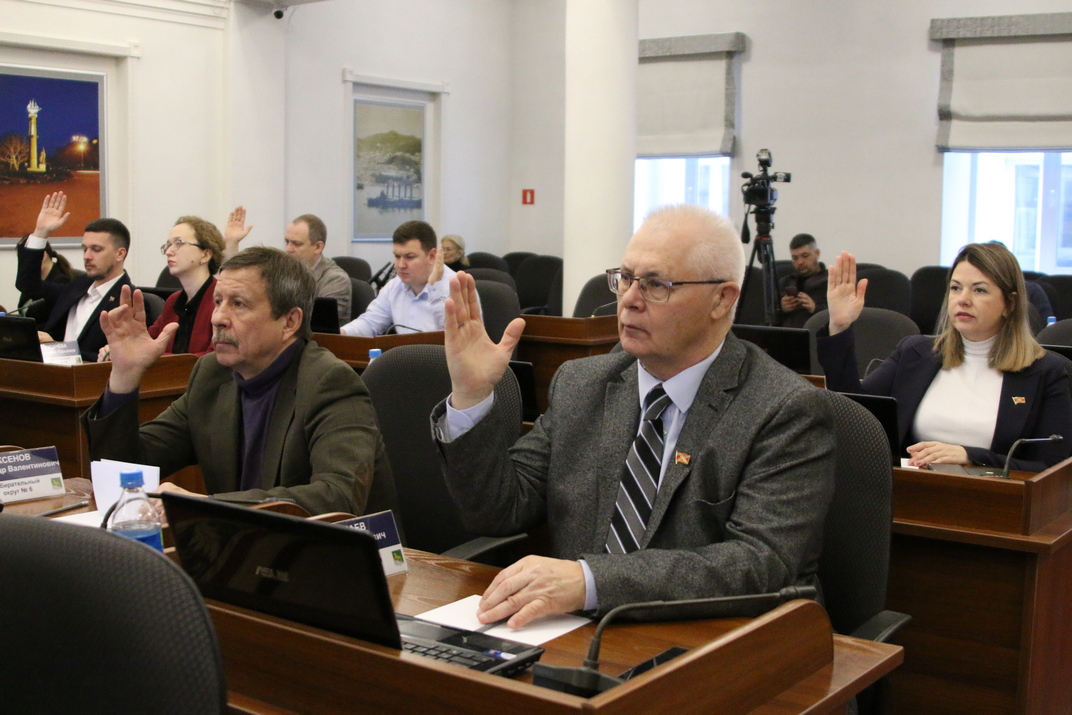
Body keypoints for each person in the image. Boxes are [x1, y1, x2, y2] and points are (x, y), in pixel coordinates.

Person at [433, 204, 836, 628]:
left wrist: (590, 582)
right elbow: (499, 510)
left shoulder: (784, 409)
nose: (628, 300)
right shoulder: (583, 383)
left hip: (714, 638)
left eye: (656, 284)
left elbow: (761, 564)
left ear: (722, 299)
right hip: (573, 633)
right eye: (625, 278)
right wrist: (471, 395)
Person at [80, 247, 396, 516]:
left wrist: (207, 506)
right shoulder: (212, 375)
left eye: (238, 304)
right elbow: (126, 467)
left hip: (341, 557)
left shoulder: (330, 382)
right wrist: (125, 376)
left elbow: (337, 497)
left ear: (289, 321)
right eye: (218, 301)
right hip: (244, 550)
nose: (217, 318)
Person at [817, 244, 1072, 472]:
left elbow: (1052, 468)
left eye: (979, 290)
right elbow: (854, 412)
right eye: (955, 288)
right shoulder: (915, 352)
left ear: (1010, 304)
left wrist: (970, 456)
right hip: (913, 492)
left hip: (995, 501)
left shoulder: (1046, 371)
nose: (963, 300)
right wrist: (839, 326)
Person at [15, 191, 134, 362]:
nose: (87, 256)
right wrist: (40, 232)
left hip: (89, 377)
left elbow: (114, 358)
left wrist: (57, 348)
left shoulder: (129, 301)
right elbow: (28, 284)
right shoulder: (77, 286)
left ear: (120, 254)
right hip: (49, 371)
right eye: (85, 249)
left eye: (96, 249)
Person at [222, 207, 351, 324]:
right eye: (287, 242)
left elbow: (320, 324)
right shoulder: (281, 269)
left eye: (296, 244)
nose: (288, 249)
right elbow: (237, 284)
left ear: (318, 247)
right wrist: (232, 243)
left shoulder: (335, 280)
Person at [341, 220, 462, 336]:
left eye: (409, 257)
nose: (400, 265)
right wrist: (342, 333)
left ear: (431, 256)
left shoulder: (458, 287)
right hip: (404, 350)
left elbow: (454, 335)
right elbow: (370, 322)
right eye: (397, 256)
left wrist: (435, 288)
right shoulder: (395, 286)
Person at [148, 216, 225, 355]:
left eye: (178, 243)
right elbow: (147, 344)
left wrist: (160, 359)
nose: (168, 252)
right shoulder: (173, 301)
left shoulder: (222, 300)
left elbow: (215, 357)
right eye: (168, 245)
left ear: (205, 254)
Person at [16, 237, 75, 325]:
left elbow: (57, 323)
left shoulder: (61, 281)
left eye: (24, 261)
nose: (23, 267)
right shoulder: (32, 281)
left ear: (42, 256)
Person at [777, 233, 827, 328]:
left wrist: (815, 308)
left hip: (817, 333)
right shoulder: (785, 282)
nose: (800, 262)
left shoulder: (831, 281)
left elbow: (840, 314)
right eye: (795, 258)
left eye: (805, 256)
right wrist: (781, 309)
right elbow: (769, 318)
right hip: (787, 333)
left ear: (817, 253)